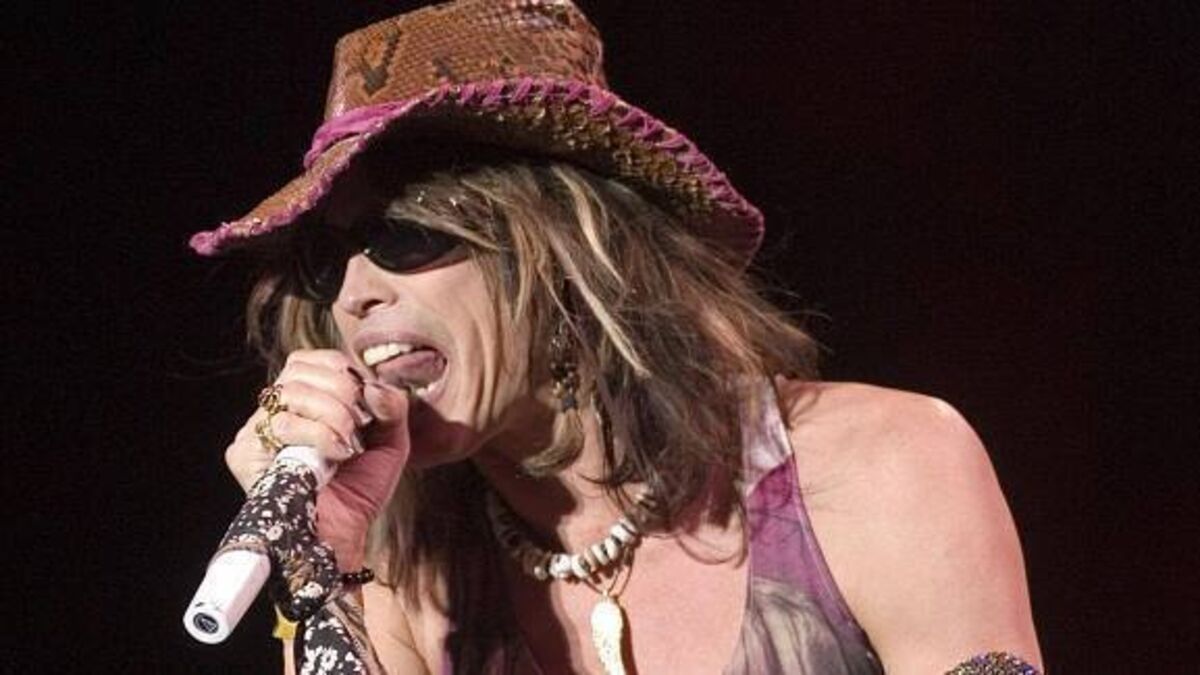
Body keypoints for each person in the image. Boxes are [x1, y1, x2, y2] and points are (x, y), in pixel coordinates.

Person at [195, 1, 1042, 673]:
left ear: (567, 244)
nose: (354, 295)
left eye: (405, 235)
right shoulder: (401, 571)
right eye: (323, 262)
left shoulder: (880, 467)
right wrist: (321, 562)